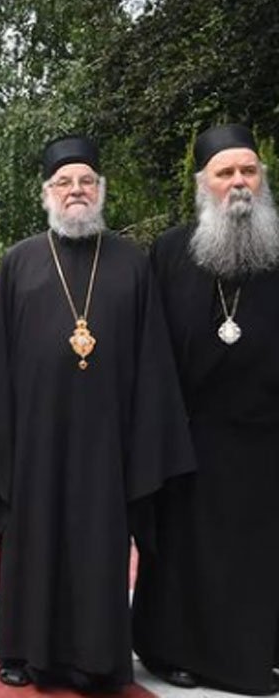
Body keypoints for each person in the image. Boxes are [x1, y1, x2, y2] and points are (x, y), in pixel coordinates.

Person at [0, 134, 195, 691]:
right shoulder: (19, 261)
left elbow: (152, 359)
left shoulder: (131, 263)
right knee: (31, 539)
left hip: (107, 439)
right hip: (34, 438)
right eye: (64, 182)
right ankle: (20, 650)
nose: (76, 190)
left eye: (86, 181)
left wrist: (144, 439)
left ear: (101, 190)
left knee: (100, 543)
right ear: (46, 193)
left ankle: (97, 659)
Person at [132, 124, 279, 695]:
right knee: (185, 551)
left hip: (264, 435)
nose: (239, 182)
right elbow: (150, 348)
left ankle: (257, 652)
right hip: (190, 435)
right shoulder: (171, 252)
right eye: (226, 172)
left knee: (258, 550)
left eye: (249, 170)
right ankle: (173, 651)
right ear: (203, 183)